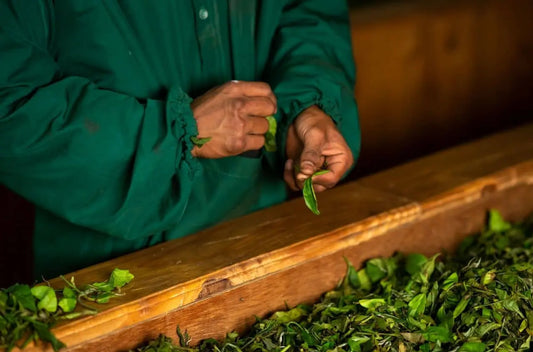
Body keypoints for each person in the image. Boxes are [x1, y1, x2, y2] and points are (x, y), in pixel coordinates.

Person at [0, 0, 361, 279]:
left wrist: (307, 106)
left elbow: (307, 13)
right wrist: (175, 130)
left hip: (259, 230)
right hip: (107, 263)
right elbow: (10, 104)